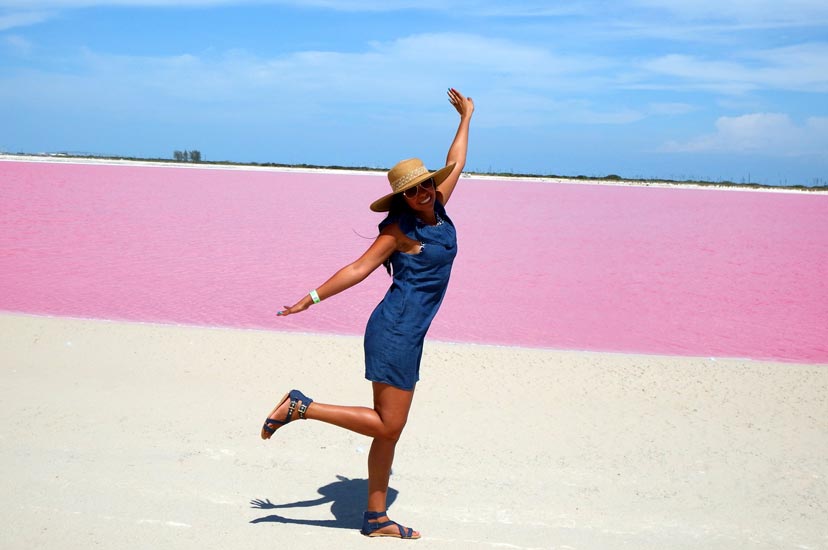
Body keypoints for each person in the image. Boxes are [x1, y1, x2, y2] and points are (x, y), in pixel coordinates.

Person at [260, 87, 474, 540]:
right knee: (389, 423)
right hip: (394, 329)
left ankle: (376, 517)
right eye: (413, 190)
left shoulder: (439, 206)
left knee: (389, 431)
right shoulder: (400, 230)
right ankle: (302, 407)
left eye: (426, 185)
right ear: (402, 197)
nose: (423, 193)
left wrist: (466, 118)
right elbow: (358, 268)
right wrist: (309, 299)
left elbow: (455, 160)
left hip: (410, 333)